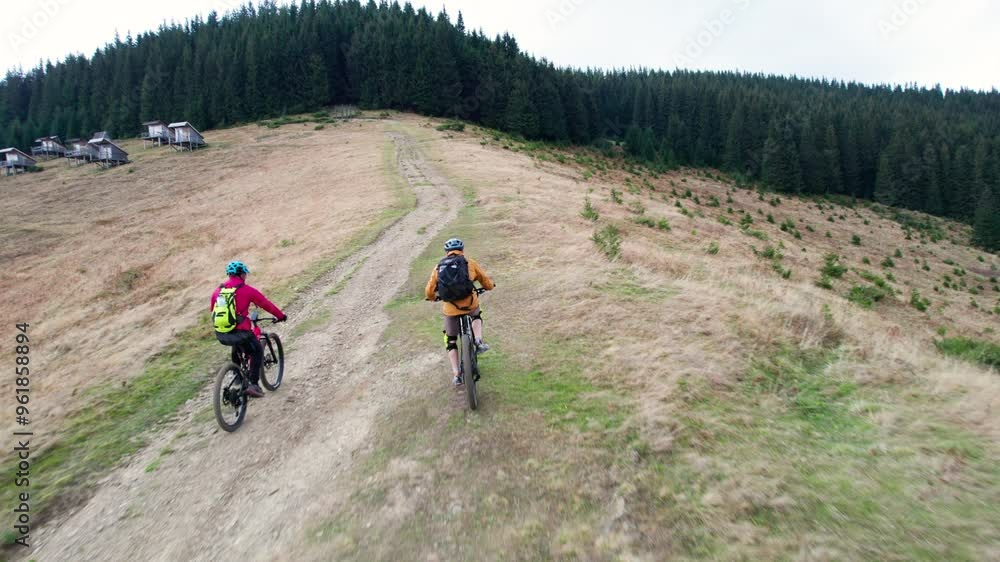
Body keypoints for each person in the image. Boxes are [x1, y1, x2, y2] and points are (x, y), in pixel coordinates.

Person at [210, 261, 287, 398]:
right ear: (241, 274)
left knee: (237, 347)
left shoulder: (218, 291)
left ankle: (237, 378)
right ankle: (253, 384)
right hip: (242, 333)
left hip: (222, 334)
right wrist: (280, 316)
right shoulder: (247, 290)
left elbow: (213, 312)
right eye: (245, 273)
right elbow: (266, 304)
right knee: (257, 350)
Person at [425, 238, 495, 386]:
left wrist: (432, 298)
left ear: (446, 252)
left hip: (450, 310)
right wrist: (489, 287)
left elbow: (429, 291)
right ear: (462, 250)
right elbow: (485, 281)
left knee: (450, 340)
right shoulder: (470, 263)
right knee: (476, 315)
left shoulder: (439, 267)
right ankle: (478, 341)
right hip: (470, 304)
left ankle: (456, 374)